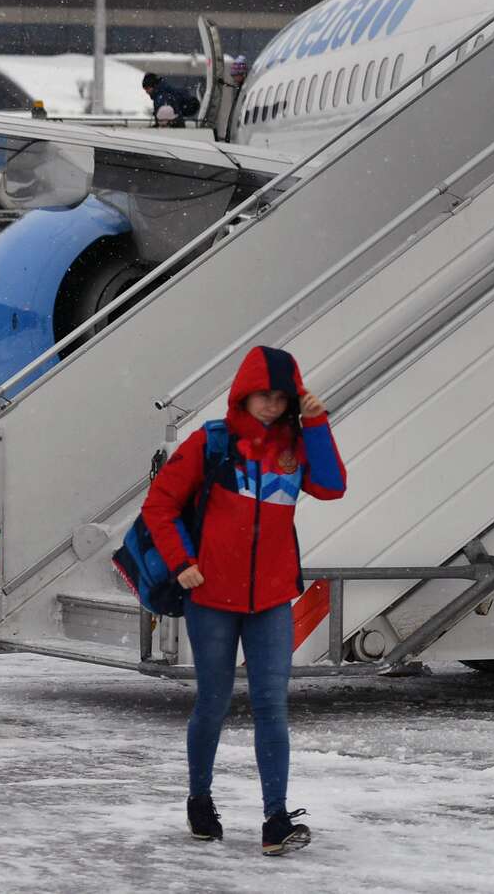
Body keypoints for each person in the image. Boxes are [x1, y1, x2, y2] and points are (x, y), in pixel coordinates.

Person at [140, 345, 345, 856]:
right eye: (263, 397)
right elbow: (159, 505)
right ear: (244, 393)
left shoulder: (295, 447)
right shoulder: (212, 443)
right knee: (212, 702)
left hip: (271, 600)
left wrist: (317, 425)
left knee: (272, 706)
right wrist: (182, 561)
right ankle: (200, 799)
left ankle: (276, 818)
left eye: (281, 398)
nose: (271, 407)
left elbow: (333, 487)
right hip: (209, 597)